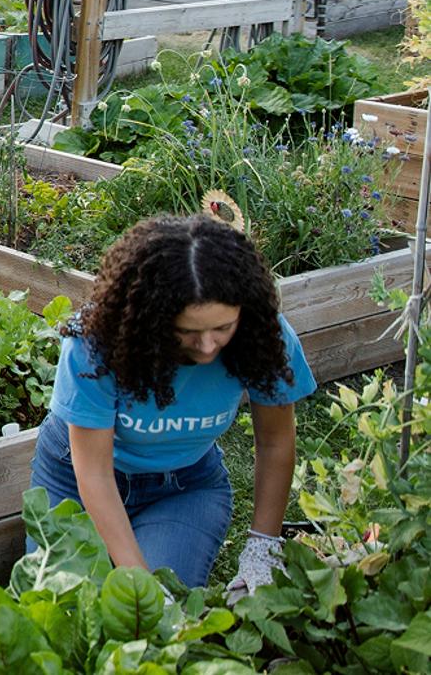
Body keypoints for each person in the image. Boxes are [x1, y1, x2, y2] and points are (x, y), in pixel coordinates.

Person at [31, 214, 314, 593]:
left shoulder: (265, 335)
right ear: (152, 318)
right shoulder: (96, 344)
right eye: (188, 332)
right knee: (65, 609)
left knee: (161, 624)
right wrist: (140, 585)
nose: (209, 345)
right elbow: (94, 473)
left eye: (223, 328)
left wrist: (263, 545)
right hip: (75, 479)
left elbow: (276, 442)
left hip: (183, 487)